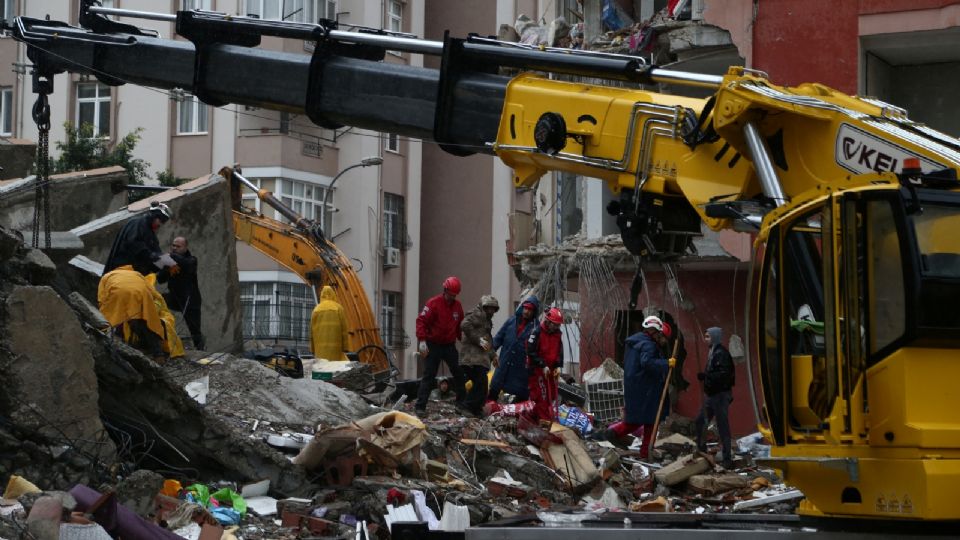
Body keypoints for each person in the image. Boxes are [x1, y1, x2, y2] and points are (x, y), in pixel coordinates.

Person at [592, 315, 675, 459]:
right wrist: (666, 363)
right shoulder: (648, 345)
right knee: (650, 422)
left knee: (635, 421)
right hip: (647, 389)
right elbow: (647, 363)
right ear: (657, 332)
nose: (663, 342)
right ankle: (644, 452)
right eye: (663, 338)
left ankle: (613, 433)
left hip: (635, 387)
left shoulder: (636, 341)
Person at [414, 276, 466, 416]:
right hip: (433, 345)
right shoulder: (433, 303)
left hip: (449, 345)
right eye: (450, 294)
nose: (452, 297)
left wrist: (465, 342)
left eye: (454, 295)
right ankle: (420, 407)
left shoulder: (457, 306)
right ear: (445, 290)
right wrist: (422, 340)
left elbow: (460, 327)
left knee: (459, 373)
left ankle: (461, 405)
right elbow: (421, 321)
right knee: (429, 375)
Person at [98, 265, 166, 362]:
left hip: (118, 293)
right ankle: (158, 354)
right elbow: (152, 291)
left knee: (117, 322)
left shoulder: (107, 276)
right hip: (141, 294)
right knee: (146, 322)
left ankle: (120, 352)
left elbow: (102, 298)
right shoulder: (136, 274)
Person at [695, 326, 736, 469]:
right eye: (705, 336)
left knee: (722, 426)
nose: (705, 339)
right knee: (700, 420)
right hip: (711, 395)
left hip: (720, 395)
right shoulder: (712, 351)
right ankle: (701, 450)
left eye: (708, 336)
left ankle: (727, 459)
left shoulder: (721, 353)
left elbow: (725, 374)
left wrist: (707, 376)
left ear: (715, 337)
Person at [488, 296, 540, 402]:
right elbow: (499, 337)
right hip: (505, 360)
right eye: (525, 308)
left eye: (530, 310)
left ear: (534, 312)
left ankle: (517, 413)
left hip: (521, 366)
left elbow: (538, 349)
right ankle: (490, 406)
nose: (526, 312)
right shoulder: (512, 320)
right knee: (495, 387)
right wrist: (490, 353)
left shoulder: (536, 328)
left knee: (521, 393)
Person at [157, 236, 205, 350]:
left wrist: (171, 257)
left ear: (185, 248)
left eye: (178, 246)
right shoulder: (169, 261)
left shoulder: (192, 260)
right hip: (174, 297)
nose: (174, 248)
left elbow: (187, 265)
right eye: (173, 245)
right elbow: (160, 279)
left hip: (190, 299)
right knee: (156, 302)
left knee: (194, 329)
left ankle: (200, 351)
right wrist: (166, 267)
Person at [103, 201, 173, 276]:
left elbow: (155, 251)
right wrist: (155, 257)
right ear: (154, 216)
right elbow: (135, 245)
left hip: (136, 275)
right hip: (124, 272)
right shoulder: (138, 223)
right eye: (161, 221)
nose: (160, 224)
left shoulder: (150, 233)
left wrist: (169, 262)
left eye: (163, 222)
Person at [460, 295, 499, 416]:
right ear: (484, 307)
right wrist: (478, 340)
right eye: (489, 308)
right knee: (480, 383)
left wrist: (493, 356)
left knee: (482, 385)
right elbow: (464, 325)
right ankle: (467, 406)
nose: (491, 311)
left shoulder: (487, 320)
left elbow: (488, 341)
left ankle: (476, 409)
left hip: (480, 359)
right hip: (472, 358)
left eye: (493, 309)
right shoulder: (477, 314)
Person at [526, 307, 564, 423]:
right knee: (541, 397)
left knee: (550, 397)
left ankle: (532, 417)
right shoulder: (537, 332)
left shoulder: (557, 334)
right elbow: (530, 351)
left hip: (550, 370)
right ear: (548, 321)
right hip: (537, 370)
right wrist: (542, 365)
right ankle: (545, 422)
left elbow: (559, 351)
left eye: (558, 325)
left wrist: (558, 365)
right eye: (555, 324)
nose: (557, 327)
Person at [309, 285, 349, 361]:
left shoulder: (316, 310)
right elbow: (344, 330)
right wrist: (345, 347)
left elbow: (312, 331)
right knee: (334, 369)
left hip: (320, 350)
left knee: (323, 369)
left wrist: (312, 349)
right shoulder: (338, 308)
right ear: (333, 294)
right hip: (336, 350)